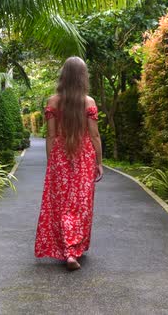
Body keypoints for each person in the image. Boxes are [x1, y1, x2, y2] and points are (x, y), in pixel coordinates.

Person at [34, 56, 103, 271]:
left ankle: (67, 250)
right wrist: (99, 162)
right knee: (80, 204)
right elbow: (94, 136)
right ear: (83, 77)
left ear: (63, 76)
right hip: (84, 157)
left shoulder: (53, 102)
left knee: (63, 204)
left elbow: (51, 136)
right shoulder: (89, 103)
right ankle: (73, 249)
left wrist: (51, 163)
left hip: (60, 157)